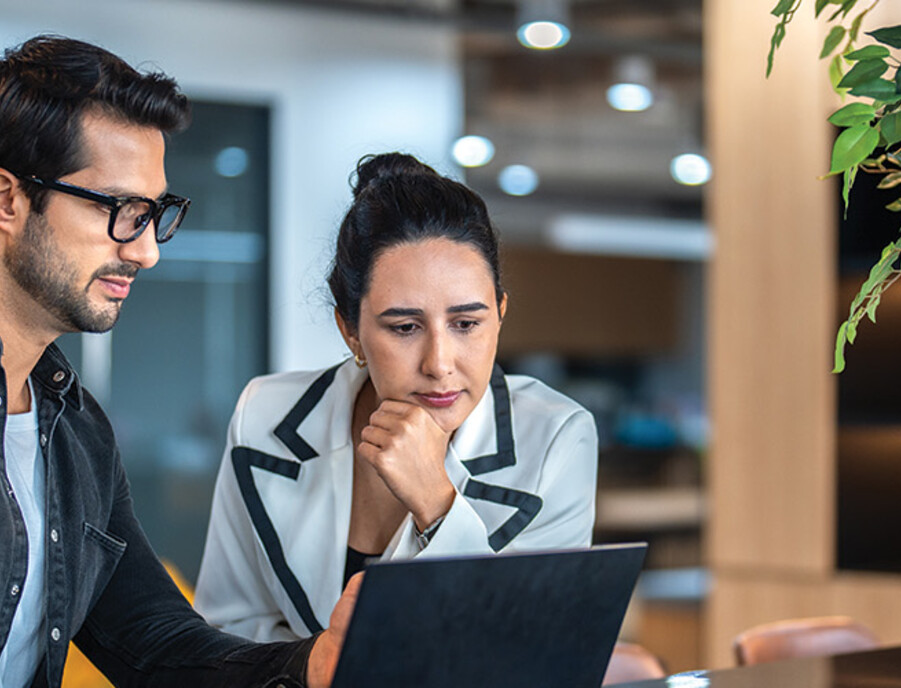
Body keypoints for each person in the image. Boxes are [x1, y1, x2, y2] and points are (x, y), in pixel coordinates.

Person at [0, 35, 355, 688]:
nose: (146, 252)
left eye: (153, 214)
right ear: (9, 200)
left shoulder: (76, 431)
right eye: (119, 211)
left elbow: (152, 643)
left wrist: (308, 665)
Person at [194, 152, 598, 642]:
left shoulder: (557, 436)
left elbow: (530, 651)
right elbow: (229, 632)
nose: (440, 363)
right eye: (405, 327)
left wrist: (437, 503)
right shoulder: (265, 414)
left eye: (467, 324)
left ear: (500, 313)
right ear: (351, 331)